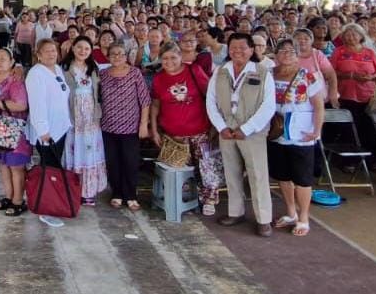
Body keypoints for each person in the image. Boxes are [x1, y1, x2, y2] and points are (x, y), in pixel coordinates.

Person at [206, 33, 276, 237]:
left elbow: (268, 106)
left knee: (258, 175)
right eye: (233, 47)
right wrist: (221, 126)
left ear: (252, 50)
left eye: (242, 47)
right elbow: (211, 101)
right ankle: (235, 212)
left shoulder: (262, 72)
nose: (237, 51)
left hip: (251, 131)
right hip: (227, 130)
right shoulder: (220, 71)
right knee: (231, 173)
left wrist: (247, 128)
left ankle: (264, 219)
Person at [150, 42, 223, 216]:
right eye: (165, 58)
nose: (169, 62)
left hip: (200, 132)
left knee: (207, 168)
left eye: (173, 57)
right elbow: (155, 105)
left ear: (180, 56)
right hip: (174, 135)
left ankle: (209, 200)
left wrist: (215, 124)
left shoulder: (194, 71)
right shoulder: (159, 78)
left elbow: (211, 97)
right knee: (182, 171)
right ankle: (189, 200)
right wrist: (154, 129)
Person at [269, 39, 324, 237]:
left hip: (301, 134)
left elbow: (319, 105)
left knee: (302, 179)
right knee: (283, 177)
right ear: (275, 55)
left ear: (297, 54)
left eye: (291, 51)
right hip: (275, 132)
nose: (286, 54)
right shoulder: (269, 75)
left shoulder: (307, 76)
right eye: (282, 51)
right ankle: (291, 212)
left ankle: (304, 217)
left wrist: (317, 130)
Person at [25, 38, 72, 227]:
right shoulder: (36, 74)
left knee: (54, 168)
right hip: (47, 131)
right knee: (49, 169)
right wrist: (43, 130)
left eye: (54, 50)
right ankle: (46, 208)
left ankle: (53, 203)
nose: (52, 54)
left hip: (60, 127)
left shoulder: (57, 69)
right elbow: (37, 104)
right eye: (47, 51)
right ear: (38, 54)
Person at [99, 42, 151, 211]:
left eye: (121, 54)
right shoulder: (103, 74)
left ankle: (131, 195)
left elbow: (145, 101)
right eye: (113, 54)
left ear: (126, 56)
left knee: (130, 162)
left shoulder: (135, 73)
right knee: (113, 162)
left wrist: (144, 124)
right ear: (108, 56)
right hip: (108, 126)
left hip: (130, 127)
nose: (117, 57)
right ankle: (117, 193)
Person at [0, 48, 31, 216]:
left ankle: (18, 200)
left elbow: (21, 105)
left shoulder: (15, 81)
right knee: (2, 165)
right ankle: (8, 197)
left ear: (11, 63)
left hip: (13, 131)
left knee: (16, 166)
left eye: (3, 58)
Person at [330, 23, 376, 171]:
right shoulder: (338, 52)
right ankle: (350, 161)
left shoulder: (369, 52)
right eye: (348, 34)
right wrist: (350, 75)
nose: (351, 37)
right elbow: (331, 72)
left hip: (368, 96)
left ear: (361, 36)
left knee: (369, 128)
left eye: (354, 34)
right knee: (350, 128)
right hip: (347, 95)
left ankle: (372, 160)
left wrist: (371, 77)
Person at [61, 36, 107, 206]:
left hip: (90, 117)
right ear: (73, 48)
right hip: (73, 116)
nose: (83, 51)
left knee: (90, 151)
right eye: (79, 47)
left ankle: (88, 191)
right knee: (75, 149)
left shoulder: (94, 68)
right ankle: (73, 189)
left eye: (87, 49)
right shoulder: (64, 68)